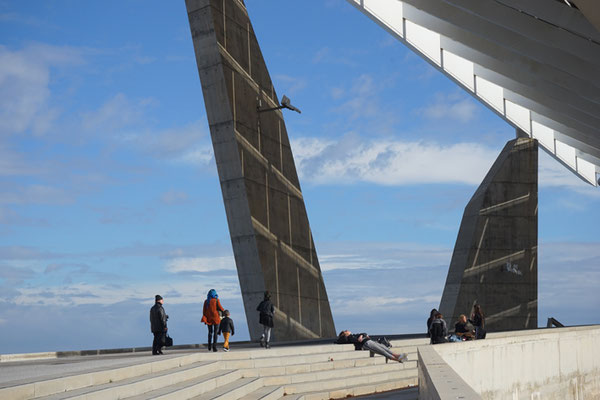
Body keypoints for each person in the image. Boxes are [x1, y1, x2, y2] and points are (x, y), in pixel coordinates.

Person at [336, 330, 408, 363]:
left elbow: (363, 333)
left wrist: (362, 335)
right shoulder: (350, 337)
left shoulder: (353, 335)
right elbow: (359, 340)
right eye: (346, 331)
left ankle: (399, 356)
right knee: (382, 351)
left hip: (369, 341)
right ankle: (398, 359)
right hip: (366, 343)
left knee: (384, 348)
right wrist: (361, 336)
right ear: (344, 334)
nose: (348, 330)